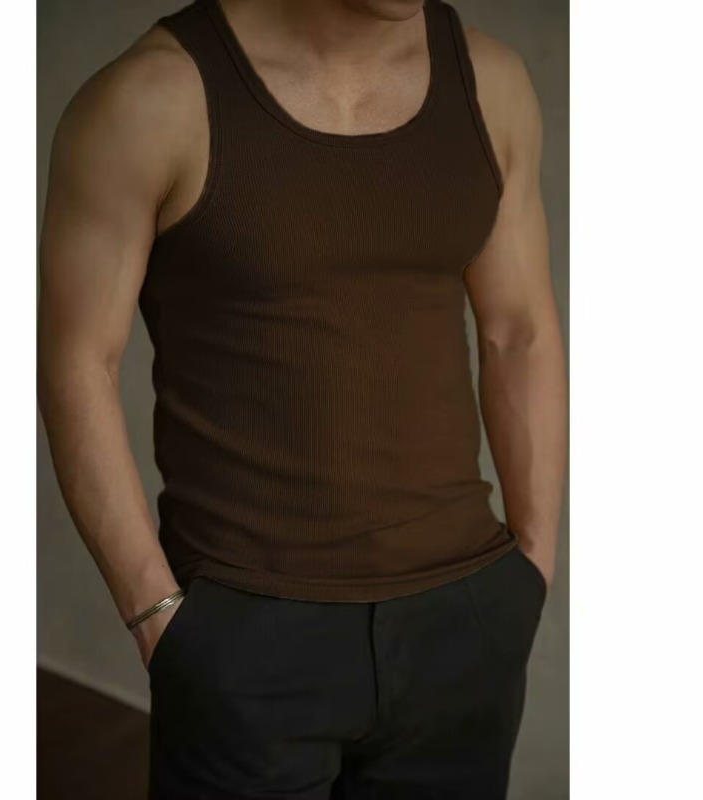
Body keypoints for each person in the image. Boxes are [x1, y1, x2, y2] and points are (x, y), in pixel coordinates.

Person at [37, 0, 567, 796]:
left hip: (464, 616)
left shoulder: (490, 82)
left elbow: (518, 330)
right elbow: (76, 360)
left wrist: (532, 567)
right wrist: (158, 618)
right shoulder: (151, 100)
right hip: (249, 630)